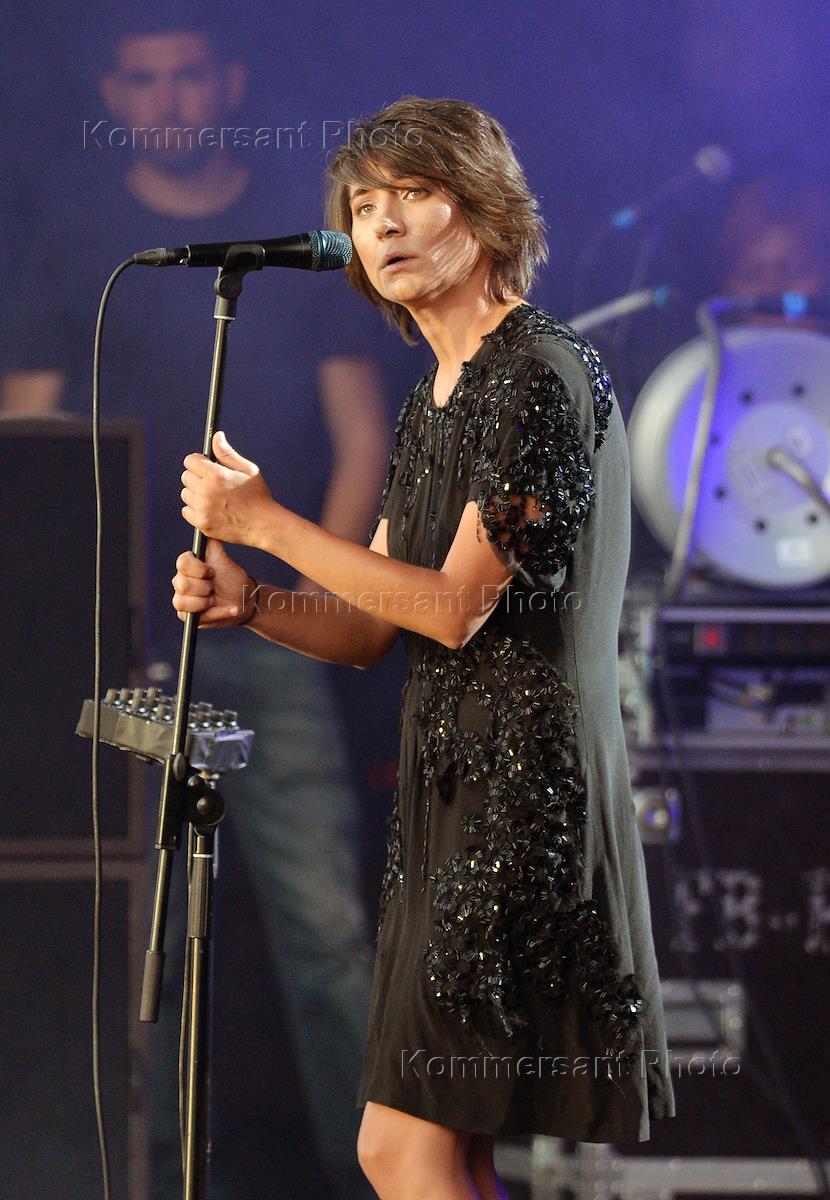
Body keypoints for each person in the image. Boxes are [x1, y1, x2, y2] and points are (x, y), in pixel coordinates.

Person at [172, 96, 676, 1199]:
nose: (383, 224)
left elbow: (452, 609)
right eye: (363, 206)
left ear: (485, 212)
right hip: (449, 805)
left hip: (523, 807)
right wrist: (255, 602)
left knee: (400, 1149)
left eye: (413, 194)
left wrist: (268, 523)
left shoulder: (539, 373)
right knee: (435, 1152)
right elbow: (367, 627)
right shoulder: (433, 401)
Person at [1, 11, 389, 1199]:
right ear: (113, 94)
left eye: (187, 76)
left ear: (226, 84)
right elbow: (29, 431)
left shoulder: (296, 235)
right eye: (143, 78)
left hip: (266, 624)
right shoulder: (84, 237)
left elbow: (360, 437)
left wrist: (307, 602)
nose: (167, 99)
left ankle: (374, 1177)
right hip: (124, 636)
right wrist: (61, 601)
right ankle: (157, 1177)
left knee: (323, 925)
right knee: (147, 923)